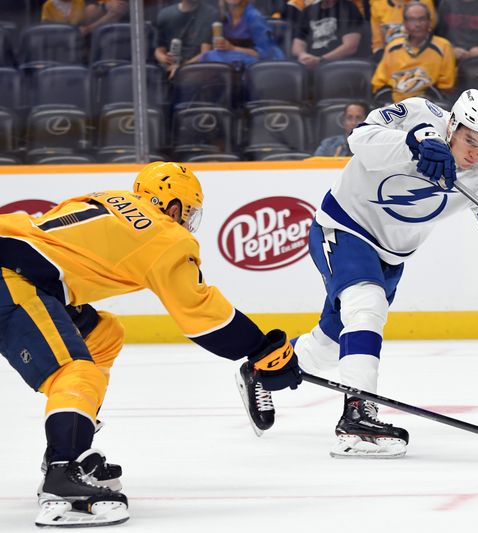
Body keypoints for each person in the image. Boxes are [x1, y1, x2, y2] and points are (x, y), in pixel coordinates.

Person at [237, 89, 478, 458]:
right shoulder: (417, 115)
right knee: (366, 305)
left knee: (330, 347)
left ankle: (261, 367)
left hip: (391, 255)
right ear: (452, 125)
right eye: (470, 141)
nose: (476, 152)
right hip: (344, 227)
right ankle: (357, 419)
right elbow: (360, 139)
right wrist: (414, 143)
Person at [0, 162, 301, 527]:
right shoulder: (165, 236)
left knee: (101, 336)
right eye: (188, 213)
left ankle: (68, 445)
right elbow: (202, 314)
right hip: (11, 280)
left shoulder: (109, 197)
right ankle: (65, 473)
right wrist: (260, 348)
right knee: (75, 372)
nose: (187, 222)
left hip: (22, 269)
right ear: (174, 207)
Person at [371, 1, 456, 103]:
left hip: (428, 106)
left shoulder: (443, 47)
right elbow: (379, 83)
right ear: (405, 24)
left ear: (429, 22)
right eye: (412, 20)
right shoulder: (393, 47)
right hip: (395, 106)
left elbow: (446, 87)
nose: (417, 24)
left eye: (422, 19)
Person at [194, 0, 285, 66]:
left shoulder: (254, 17)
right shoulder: (223, 16)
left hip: (255, 65)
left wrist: (233, 48)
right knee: (209, 56)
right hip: (231, 62)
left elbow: (266, 54)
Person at [291, 0, 365, 70]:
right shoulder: (308, 11)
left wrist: (321, 60)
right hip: (310, 65)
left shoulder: (349, 8)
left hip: (339, 66)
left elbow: (350, 47)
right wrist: (303, 55)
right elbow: (298, 43)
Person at [154, 0, 218, 78]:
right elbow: (159, 50)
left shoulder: (210, 13)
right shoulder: (165, 15)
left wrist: (182, 68)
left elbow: (205, 53)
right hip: (168, 69)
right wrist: (165, 59)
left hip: (196, 70)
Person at [370, 0, 437, 60]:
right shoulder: (378, 5)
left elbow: (428, 32)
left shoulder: (425, 2)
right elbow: (378, 44)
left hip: (421, 55)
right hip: (390, 57)